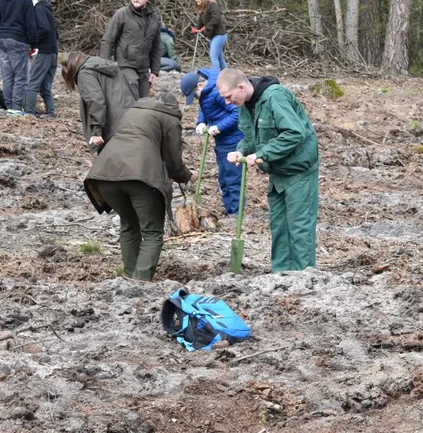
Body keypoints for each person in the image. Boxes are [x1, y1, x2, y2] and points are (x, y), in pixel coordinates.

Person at [217, 68, 320, 272]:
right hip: (277, 172)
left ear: (241, 86)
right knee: (279, 225)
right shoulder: (244, 105)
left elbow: (294, 132)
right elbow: (249, 138)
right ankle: (280, 275)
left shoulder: (275, 96)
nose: (227, 102)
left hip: (299, 170)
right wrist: (241, 151)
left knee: (299, 227)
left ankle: (304, 278)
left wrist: (264, 153)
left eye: (228, 97)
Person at [84, 94, 194, 280]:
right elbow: (173, 160)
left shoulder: (133, 111)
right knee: (152, 232)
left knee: (129, 223)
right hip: (142, 177)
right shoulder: (170, 117)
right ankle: (141, 281)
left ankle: (129, 276)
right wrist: (188, 176)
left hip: (105, 173)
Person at [181, 69, 244, 215]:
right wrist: (201, 122)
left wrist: (219, 127)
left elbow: (237, 113)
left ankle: (236, 213)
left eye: (194, 95)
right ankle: (229, 210)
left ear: (200, 85)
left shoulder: (217, 92)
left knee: (232, 178)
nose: (195, 98)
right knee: (223, 178)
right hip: (222, 142)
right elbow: (205, 107)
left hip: (233, 140)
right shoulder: (206, 94)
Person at [61, 52, 139, 154]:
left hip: (114, 127)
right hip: (132, 117)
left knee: (111, 162)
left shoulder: (84, 73)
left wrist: (96, 131)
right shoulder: (103, 66)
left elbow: (96, 101)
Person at [100, 0, 162, 97]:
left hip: (144, 67)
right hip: (125, 64)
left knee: (144, 99)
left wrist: (154, 71)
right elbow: (107, 40)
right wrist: (106, 66)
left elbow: (157, 46)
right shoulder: (122, 14)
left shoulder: (155, 18)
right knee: (130, 93)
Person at [0, 0, 39, 115]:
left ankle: (9, 105)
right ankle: (16, 107)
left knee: (7, 74)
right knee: (20, 75)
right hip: (18, 39)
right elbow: (31, 22)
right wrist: (34, 43)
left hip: (2, 39)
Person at [24, 0, 59, 117]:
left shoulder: (38, 9)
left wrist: (31, 40)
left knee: (32, 85)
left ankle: (28, 113)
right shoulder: (46, 9)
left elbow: (44, 29)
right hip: (53, 53)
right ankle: (51, 112)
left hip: (44, 52)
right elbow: (56, 33)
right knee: (45, 87)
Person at [193, 0, 229, 71]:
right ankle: (226, 74)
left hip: (219, 34)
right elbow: (201, 20)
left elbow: (216, 18)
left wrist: (206, 27)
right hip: (212, 35)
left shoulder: (212, 4)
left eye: (198, 1)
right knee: (219, 57)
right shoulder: (202, 8)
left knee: (213, 56)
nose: (198, 4)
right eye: (196, 2)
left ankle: (215, 76)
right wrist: (196, 28)